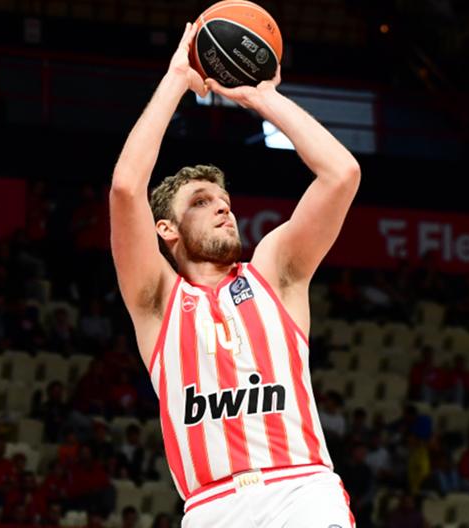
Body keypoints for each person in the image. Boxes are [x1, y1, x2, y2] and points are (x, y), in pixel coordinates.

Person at [109, 21, 361, 528]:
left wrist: (265, 98)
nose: (223, 209)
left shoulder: (275, 272)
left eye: (224, 201)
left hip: (300, 490)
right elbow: (125, 188)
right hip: (212, 507)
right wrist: (176, 78)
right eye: (201, 202)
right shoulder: (156, 301)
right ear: (166, 229)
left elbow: (341, 174)